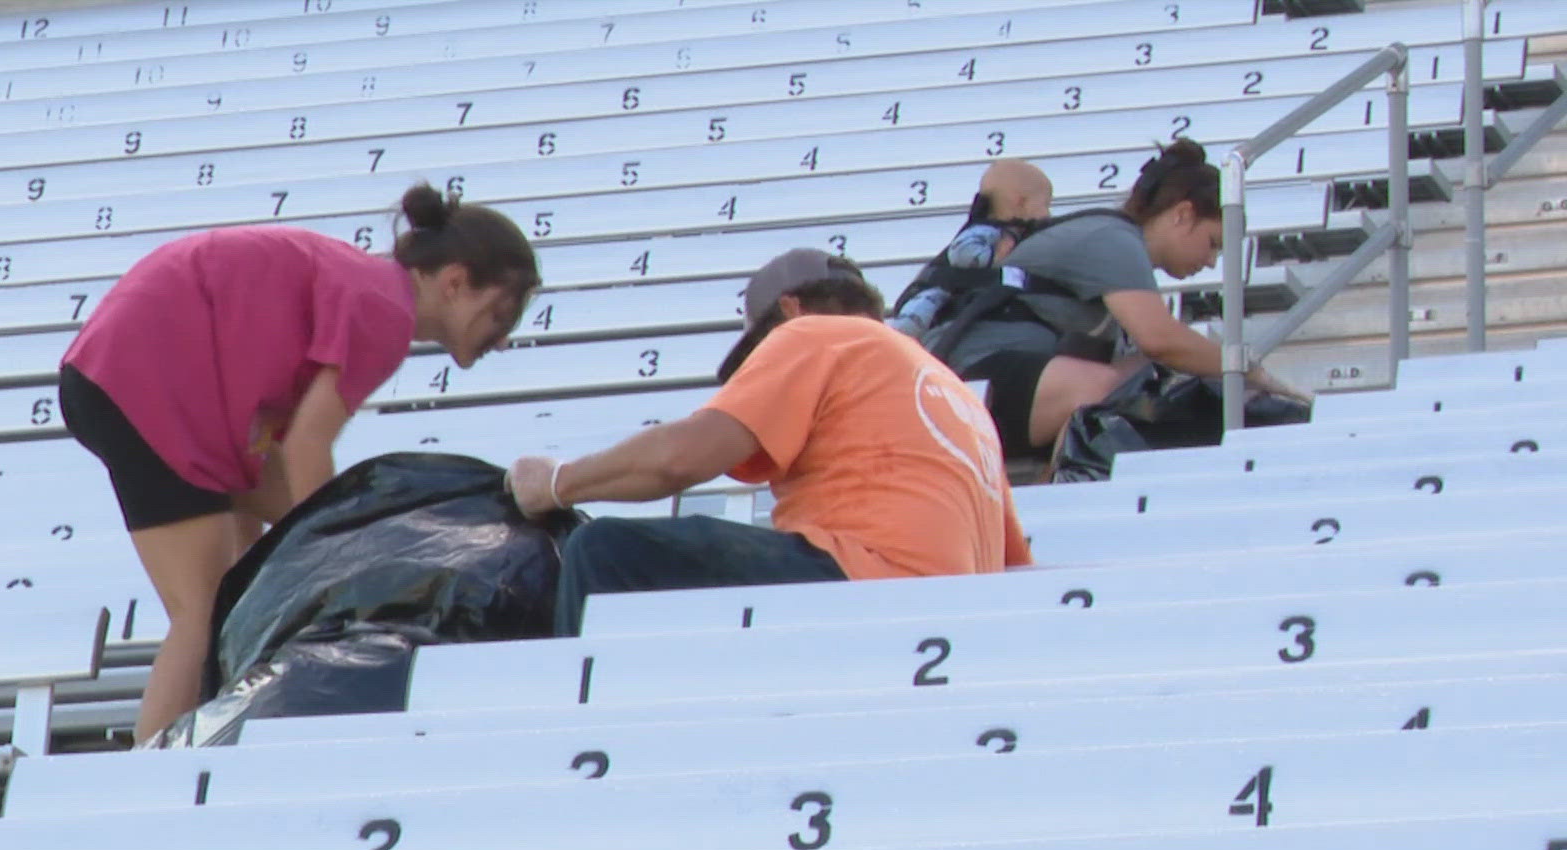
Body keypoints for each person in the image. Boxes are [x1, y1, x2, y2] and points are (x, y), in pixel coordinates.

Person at [59, 183, 539, 744]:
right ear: (455, 282)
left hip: (134, 375)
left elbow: (279, 463)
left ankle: (211, 738)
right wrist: (333, 558)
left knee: (240, 593)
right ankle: (151, 774)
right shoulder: (385, 311)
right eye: (503, 312)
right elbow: (308, 446)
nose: (503, 337)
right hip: (148, 383)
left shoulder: (367, 285)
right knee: (203, 610)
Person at [508, 249, 1031, 636]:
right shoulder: (954, 392)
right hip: (952, 617)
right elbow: (1014, 562)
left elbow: (680, 459)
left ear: (790, 307)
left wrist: (557, 483)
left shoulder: (816, 334)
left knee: (606, 551)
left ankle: (573, 718)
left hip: (866, 578)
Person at [928, 138, 1311, 459]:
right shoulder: (1111, 237)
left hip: (994, 380)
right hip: (969, 376)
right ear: (1183, 214)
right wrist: (1245, 368)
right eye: (1212, 244)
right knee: (1114, 389)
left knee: (1148, 379)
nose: (1210, 262)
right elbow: (1161, 340)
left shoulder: (1115, 245)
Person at [888, 159, 1054, 343]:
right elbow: (962, 253)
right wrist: (994, 258)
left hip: (961, 305)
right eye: (1046, 205)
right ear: (1020, 203)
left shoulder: (1014, 234)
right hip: (940, 294)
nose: (1048, 214)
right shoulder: (986, 230)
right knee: (918, 316)